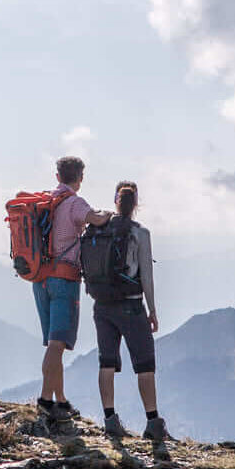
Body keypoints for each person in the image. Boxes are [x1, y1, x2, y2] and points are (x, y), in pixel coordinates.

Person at [36, 156, 111, 423]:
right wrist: (107, 213)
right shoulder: (75, 202)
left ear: (57, 177)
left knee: (53, 343)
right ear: (80, 178)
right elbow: (96, 220)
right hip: (64, 279)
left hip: (40, 279)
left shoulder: (46, 201)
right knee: (57, 344)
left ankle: (62, 400)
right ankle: (46, 400)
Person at [94, 181, 169, 442]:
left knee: (107, 361)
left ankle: (110, 420)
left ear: (115, 200)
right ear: (136, 203)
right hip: (131, 304)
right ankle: (153, 424)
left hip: (101, 305)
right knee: (145, 364)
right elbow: (146, 276)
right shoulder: (140, 233)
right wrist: (152, 310)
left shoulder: (97, 229)